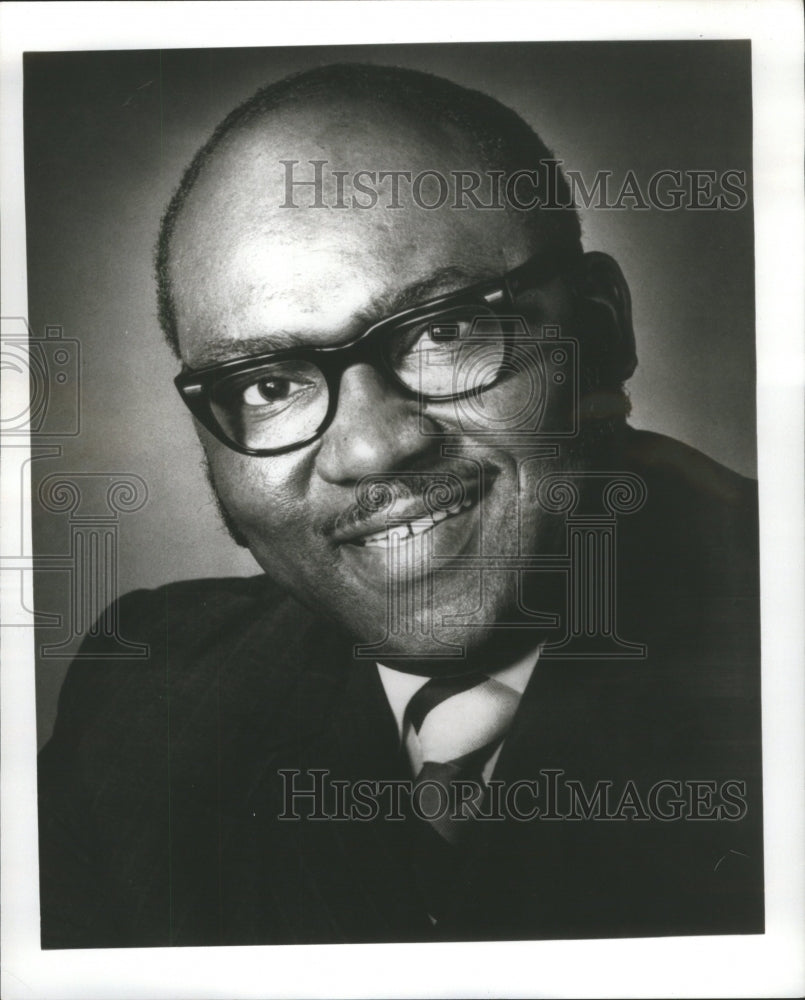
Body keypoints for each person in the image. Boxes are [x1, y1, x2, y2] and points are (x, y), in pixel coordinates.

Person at [38, 63, 762, 948]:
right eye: (267, 384)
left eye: (442, 329)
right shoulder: (146, 703)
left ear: (599, 327)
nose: (373, 447)